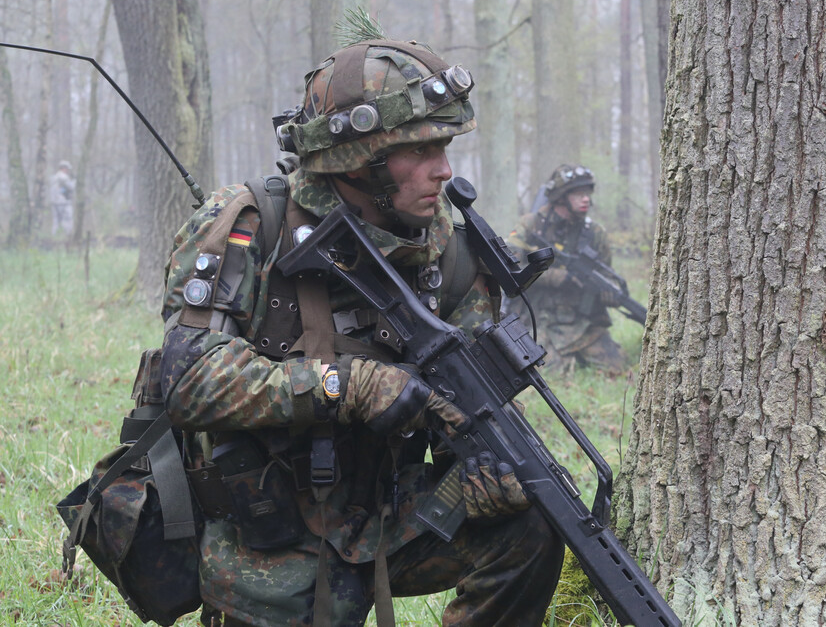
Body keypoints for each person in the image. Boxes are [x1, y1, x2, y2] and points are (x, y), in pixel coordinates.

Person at [160, 33, 564, 627]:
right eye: (421, 150)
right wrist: (345, 386)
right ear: (360, 157)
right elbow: (187, 379)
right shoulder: (250, 224)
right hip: (266, 544)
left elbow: (476, 400)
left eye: (446, 145)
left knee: (533, 521)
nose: (444, 170)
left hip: (388, 514)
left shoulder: (449, 255)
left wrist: (489, 468)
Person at [505, 165, 628, 375]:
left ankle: (574, 357)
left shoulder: (595, 233)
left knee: (616, 369)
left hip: (580, 321)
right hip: (536, 317)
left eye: (588, 194)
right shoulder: (530, 225)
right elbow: (509, 270)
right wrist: (554, 277)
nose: (586, 199)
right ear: (561, 197)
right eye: (579, 194)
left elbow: (607, 274)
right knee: (545, 372)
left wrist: (610, 293)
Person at [50, 160, 75, 236]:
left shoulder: (54, 177)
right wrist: (75, 181)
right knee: (67, 219)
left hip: (54, 202)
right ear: (63, 168)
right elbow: (71, 187)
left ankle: (54, 236)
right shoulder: (63, 177)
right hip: (63, 202)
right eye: (67, 169)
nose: (68, 171)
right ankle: (68, 236)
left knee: (56, 221)